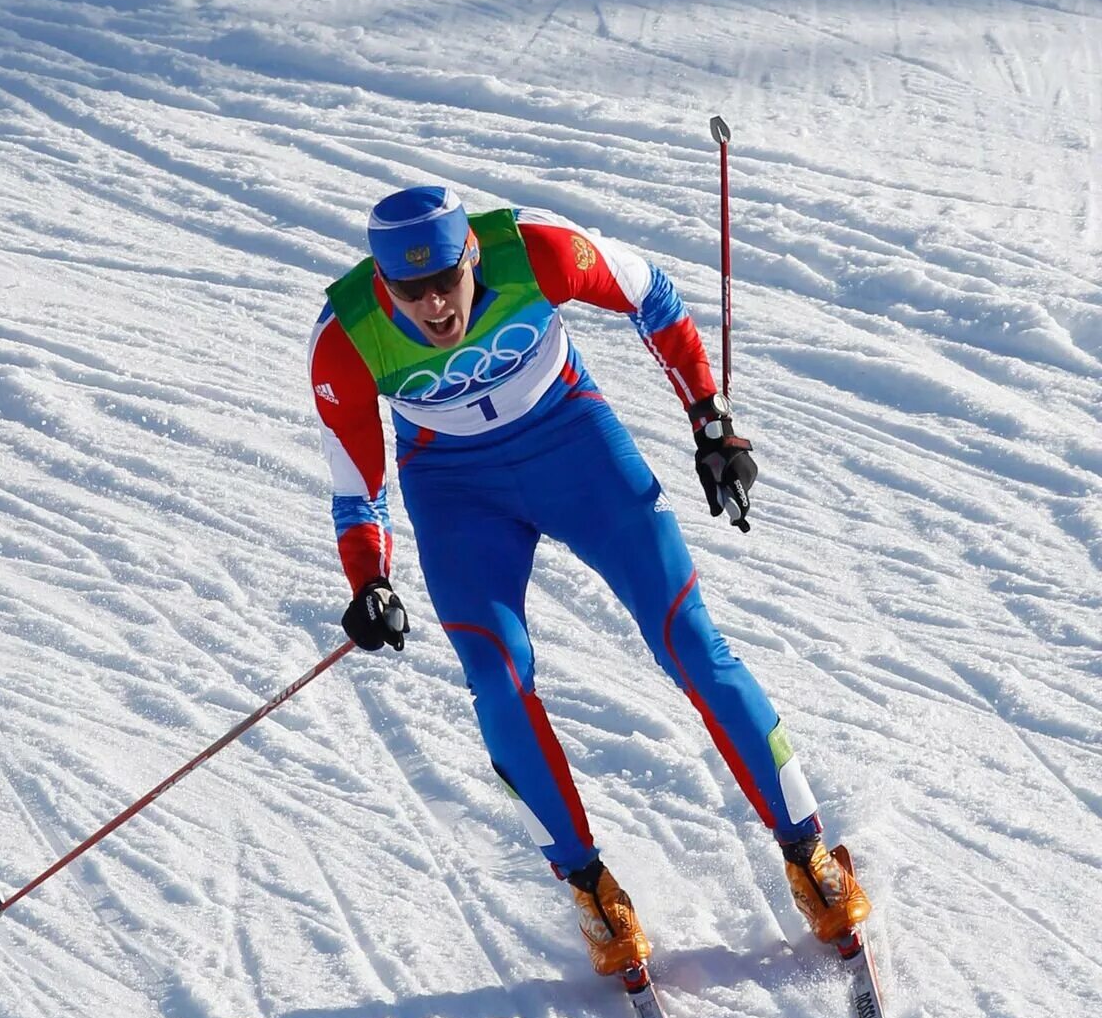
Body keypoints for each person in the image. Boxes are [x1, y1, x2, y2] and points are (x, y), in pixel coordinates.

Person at [309, 185, 871, 977]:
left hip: (575, 449)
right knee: (498, 681)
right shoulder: (346, 337)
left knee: (690, 643)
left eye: (446, 279)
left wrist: (710, 421)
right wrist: (370, 582)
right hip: (456, 493)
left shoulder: (534, 251)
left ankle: (808, 853)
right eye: (411, 290)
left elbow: (651, 294)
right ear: (382, 282)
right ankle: (590, 886)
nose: (434, 304)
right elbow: (355, 484)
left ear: (472, 254)